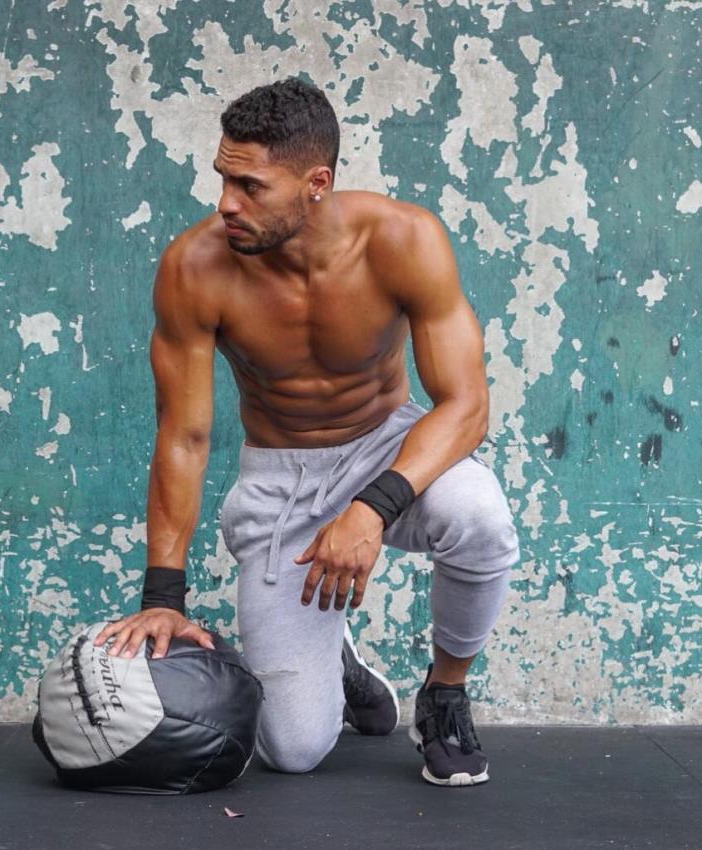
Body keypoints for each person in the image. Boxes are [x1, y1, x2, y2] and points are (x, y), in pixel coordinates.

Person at [94, 77, 521, 787]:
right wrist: (163, 599)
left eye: (251, 186)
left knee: (480, 517)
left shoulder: (402, 240)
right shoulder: (194, 269)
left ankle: (445, 693)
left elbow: (467, 406)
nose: (227, 202)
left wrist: (373, 506)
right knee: (292, 751)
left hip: (389, 447)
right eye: (224, 179)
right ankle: (336, 658)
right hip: (280, 482)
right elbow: (184, 437)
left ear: (316, 182)